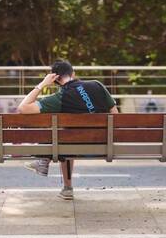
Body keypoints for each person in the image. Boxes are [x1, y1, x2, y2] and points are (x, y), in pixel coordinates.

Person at [16, 59, 118, 200]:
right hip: (103, 143)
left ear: (55, 80)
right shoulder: (97, 85)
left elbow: (23, 108)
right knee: (66, 137)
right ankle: (45, 164)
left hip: (74, 145)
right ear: (73, 74)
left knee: (64, 137)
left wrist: (43, 84)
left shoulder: (60, 98)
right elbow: (115, 115)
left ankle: (53, 171)